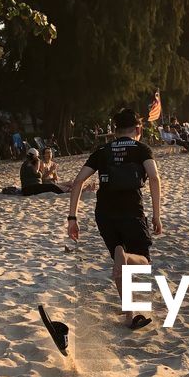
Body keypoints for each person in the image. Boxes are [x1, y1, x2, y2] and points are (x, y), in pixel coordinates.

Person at [65, 108, 163, 330]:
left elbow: (78, 181)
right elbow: (155, 178)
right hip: (131, 210)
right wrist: (156, 215)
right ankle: (126, 256)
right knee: (142, 262)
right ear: (138, 129)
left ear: (115, 131)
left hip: (105, 213)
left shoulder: (103, 150)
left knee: (119, 266)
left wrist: (72, 218)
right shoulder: (141, 149)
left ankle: (129, 315)